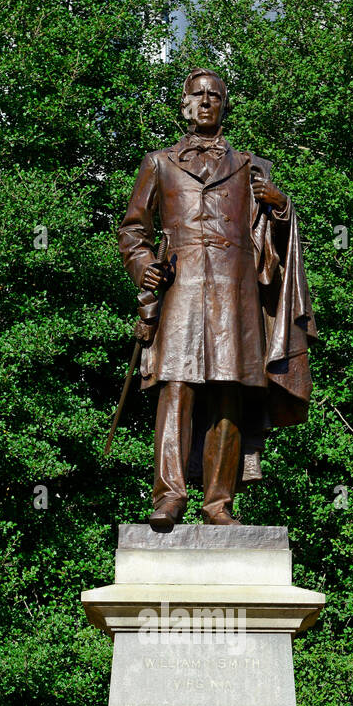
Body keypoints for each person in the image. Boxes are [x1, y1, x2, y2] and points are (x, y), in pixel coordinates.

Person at [118, 68, 317, 530]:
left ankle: (218, 504)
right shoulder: (159, 163)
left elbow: (280, 242)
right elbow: (133, 230)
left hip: (236, 292)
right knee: (176, 387)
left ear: (224, 105)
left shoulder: (252, 166)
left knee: (229, 391)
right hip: (181, 290)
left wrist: (282, 204)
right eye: (198, 95)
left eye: (214, 95)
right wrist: (142, 265)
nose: (206, 102)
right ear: (185, 104)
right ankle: (168, 495)